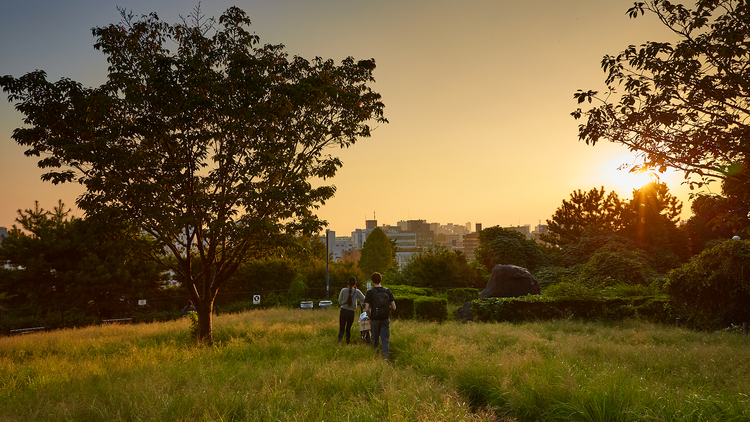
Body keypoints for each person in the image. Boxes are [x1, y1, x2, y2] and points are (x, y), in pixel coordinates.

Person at [364, 272, 396, 359]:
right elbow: (394, 307)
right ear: (381, 280)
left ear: (372, 281)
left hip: (374, 318)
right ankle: (385, 358)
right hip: (385, 318)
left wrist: (370, 316)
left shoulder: (370, 292)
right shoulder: (387, 291)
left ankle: (376, 357)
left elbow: (366, 308)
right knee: (385, 339)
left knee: (375, 339)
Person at [337, 276, 366, 344]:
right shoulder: (357, 291)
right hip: (351, 312)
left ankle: (339, 342)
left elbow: (339, 301)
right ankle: (347, 342)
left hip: (343, 311)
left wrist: (344, 304)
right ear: (355, 283)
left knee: (342, 328)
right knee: (348, 329)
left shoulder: (343, 290)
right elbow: (364, 299)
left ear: (348, 282)